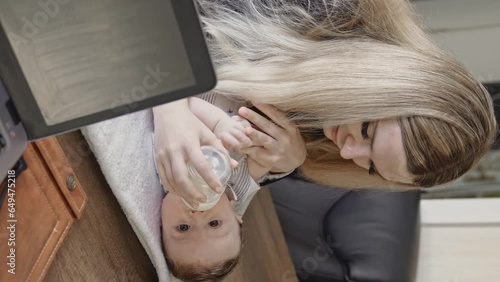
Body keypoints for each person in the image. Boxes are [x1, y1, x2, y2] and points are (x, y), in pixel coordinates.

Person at [154, 0, 498, 280]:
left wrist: (286, 163)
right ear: (387, 79)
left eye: (371, 165)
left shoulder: (328, 124)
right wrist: (169, 105)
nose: (348, 151)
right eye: (367, 131)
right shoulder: (320, 9)